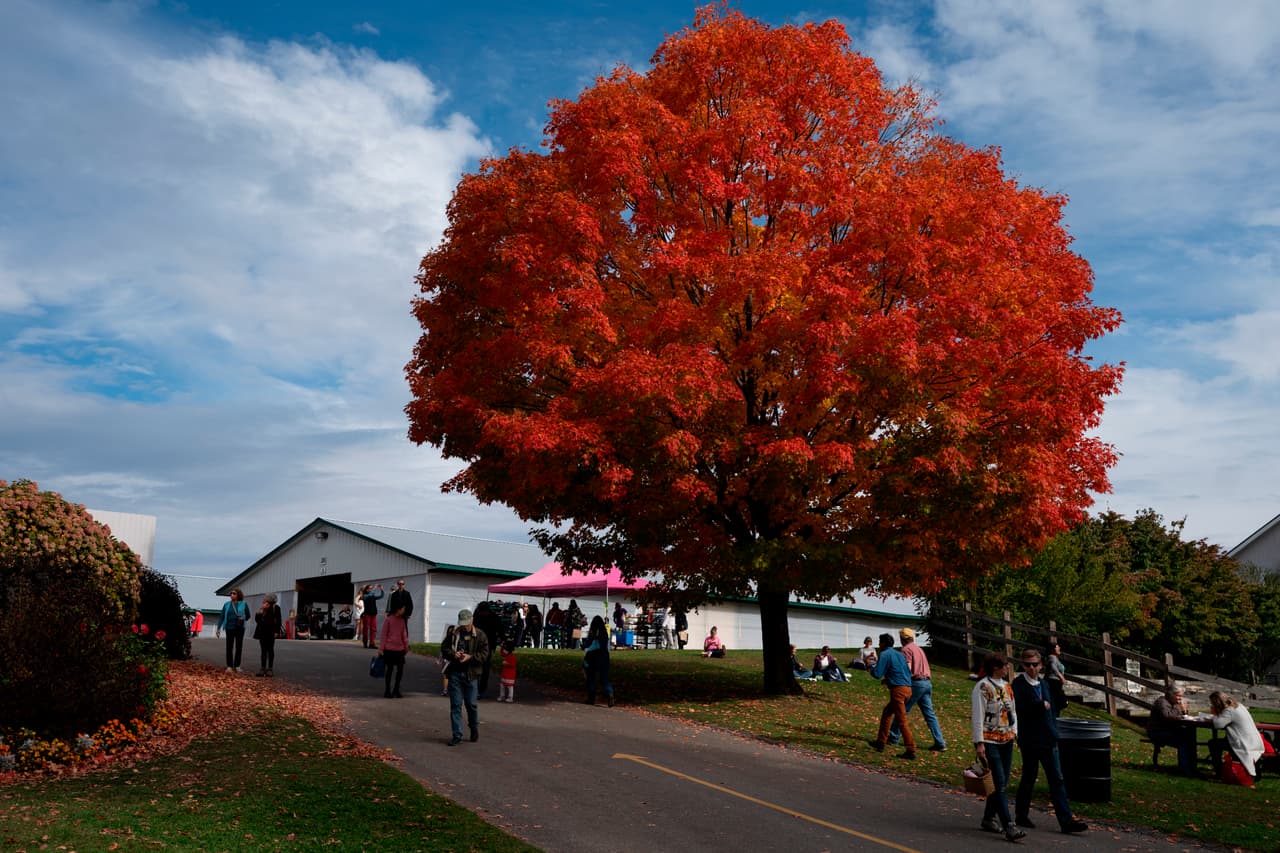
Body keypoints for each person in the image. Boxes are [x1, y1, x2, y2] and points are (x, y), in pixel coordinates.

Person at [1012, 649, 1088, 834]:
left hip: (1048, 737)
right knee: (1029, 777)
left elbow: (1052, 709)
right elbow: (1019, 709)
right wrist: (1038, 706)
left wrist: (1054, 730)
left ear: (1041, 666)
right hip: (1030, 738)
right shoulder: (1018, 685)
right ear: (1022, 665)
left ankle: (1066, 820)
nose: (1031, 668)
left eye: (1034, 665)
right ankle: (1021, 814)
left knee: (1057, 779)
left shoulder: (1044, 684)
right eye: (1027, 664)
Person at [971, 653, 1024, 842]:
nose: (1007, 668)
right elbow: (978, 716)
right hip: (990, 740)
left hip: (1006, 739)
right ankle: (1009, 825)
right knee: (999, 783)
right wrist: (979, 743)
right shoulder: (982, 688)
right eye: (1004, 665)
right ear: (995, 667)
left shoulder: (1007, 687)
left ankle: (988, 818)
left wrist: (1015, 732)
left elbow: (1013, 711)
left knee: (1001, 783)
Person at [887, 628, 946, 752]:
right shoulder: (919, 649)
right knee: (930, 714)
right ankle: (940, 742)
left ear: (903, 639)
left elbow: (907, 668)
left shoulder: (906, 650)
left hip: (916, 683)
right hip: (927, 683)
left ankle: (893, 737)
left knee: (902, 710)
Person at [443, 608, 489, 745]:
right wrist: (453, 654)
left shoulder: (480, 635)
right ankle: (457, 734)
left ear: (472, 620)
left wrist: (470, 657)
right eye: (462, 623)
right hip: (455, 673)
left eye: (467, 623)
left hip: (471, 674)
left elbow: (485, 654)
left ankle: (473, 727)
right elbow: (444, 649)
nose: (465, 626)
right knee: (456, 704)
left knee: (471, 704)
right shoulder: (453, 633)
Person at [867, 632, 916, 759]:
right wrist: (888, 680)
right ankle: (880, 742)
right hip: (908, 689)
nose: (878, 645)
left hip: (898, 692)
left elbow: (877, 674)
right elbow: (903, 671)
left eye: (880, 642)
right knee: (887, 713)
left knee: (901, 720)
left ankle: (910, 749)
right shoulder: (899, 654)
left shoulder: (885, 654)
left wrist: (869, 667)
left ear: (883, 643)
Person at [1208, 690, 1266, 784]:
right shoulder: (1238, 706)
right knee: (1221, 741)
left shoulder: (1229, 711)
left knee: (1213, 744)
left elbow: (1218, 724)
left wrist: (1214, 714)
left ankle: (1219, 773)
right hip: (1253, 740)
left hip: (1243, 742)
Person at [1147, 684, 1197, 776]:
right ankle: (1184, 770)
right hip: (1157, 732)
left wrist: (1184, 711)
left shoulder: (1173, 703)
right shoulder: (1162, 702)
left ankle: (1192, 767)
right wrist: (1179, 708)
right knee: (1183, 741)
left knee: (1190, 736)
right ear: (1170, 694)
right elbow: (1168, 717)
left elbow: (1180, 716)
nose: (1180, 699)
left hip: (1169, 730)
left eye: (1181, 696)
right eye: (1178, 696)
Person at [378, 603, 410, 698]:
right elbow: (384, 635)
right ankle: (387, 690)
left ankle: (396, 689)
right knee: (390, 670)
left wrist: (406, 647)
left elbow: (404, 635)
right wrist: (381, 648)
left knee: (400, 670)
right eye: (403, 609)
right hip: (389, 649)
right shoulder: (388, 620)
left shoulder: (402, 621)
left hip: (400, 650)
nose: (404, 611)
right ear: (398, 609)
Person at [215, 588, 250, 673]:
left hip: (240, 628)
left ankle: (237, 666)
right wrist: (218, 628)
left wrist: (242, 618)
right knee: (229, 647)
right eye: (231, 594)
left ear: (238, 595)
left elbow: (248, 615)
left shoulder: (244, 604)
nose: (232, 595)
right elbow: (222, 616)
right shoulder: (227, 604)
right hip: (229, 628)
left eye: (234, 593)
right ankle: (229, 666)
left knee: (239, 647)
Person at [473, 601, 504, 698]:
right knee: (475, 666)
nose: (482, 613)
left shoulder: (494, 618)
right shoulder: (476, 616)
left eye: (483, 612)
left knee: (485, 669)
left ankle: (481, 689)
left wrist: (503, 640)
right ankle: (474, 688)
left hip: (488, 645)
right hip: (476, 645)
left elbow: (500, 630)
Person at [583, 615, 615, 706]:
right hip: (604, 655)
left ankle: (591, 698)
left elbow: (588, 644)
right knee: (604, 678)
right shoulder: (604, 633)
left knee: (591, 677)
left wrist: (584, 646)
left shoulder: (592, 632)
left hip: (593, 655)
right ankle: (609, 692)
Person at [252, 593, 282, 677]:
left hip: (271, 632)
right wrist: (259, 612)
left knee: (270, 650)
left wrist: (277, 632)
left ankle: (270, 669)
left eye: (265, 598)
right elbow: (257, 621)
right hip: (262, 632)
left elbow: (279, 620)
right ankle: (262, 668)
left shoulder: (276, 608)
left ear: (270, 599)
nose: (264, 599)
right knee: (263, 650)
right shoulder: (263, 608)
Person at [358, 584, 383, 649]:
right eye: (370, 588)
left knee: (373, 629)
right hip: (367, 614)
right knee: (366, 629)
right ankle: (365, 642)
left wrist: (381, 589)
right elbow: (368, 596)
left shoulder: (372, 595)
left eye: (371, 588)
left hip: (373, 614)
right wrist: (374, 589)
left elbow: (381, 596)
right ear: (367, 589)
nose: (371, 590)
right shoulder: (365, 596)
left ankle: (372, 643)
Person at [1045, 642, 1068, 715]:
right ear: (1052, 649)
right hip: (1053, 682)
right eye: (1057, 647)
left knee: (1056, 702)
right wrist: (1061, 677)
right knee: (1059, 702)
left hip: (1055, 683)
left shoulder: (1054, 658)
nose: (1059, 648)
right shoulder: (1052, 658)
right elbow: (1053, 667)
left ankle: (1055, 718)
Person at [438, 624, 456, 696]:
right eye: (450, 631)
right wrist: (440, 659)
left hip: (453, 660)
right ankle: (445, 690)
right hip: (447, 661)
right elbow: (442, 651)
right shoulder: (446, 640)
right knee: (447, 676)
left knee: (451, 676)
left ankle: (450, 690)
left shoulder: (456, 640)